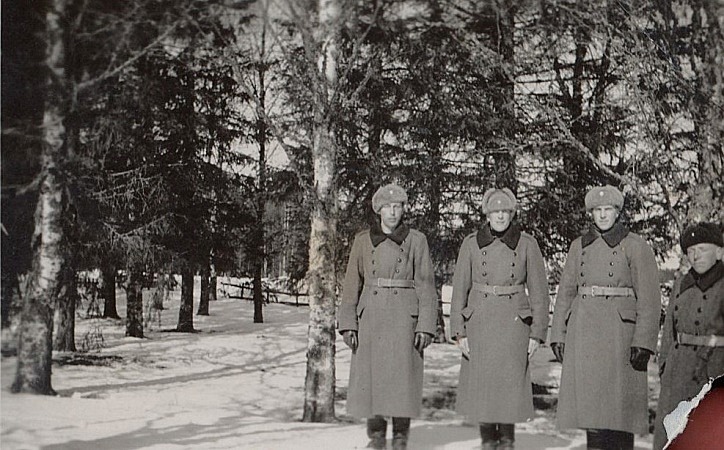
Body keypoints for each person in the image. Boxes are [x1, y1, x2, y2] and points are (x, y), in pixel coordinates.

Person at [550, 185, 661, 450]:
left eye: (607, 210)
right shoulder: (579, 246)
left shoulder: (635, 246)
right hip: (584, 334)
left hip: (620, 338)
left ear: (617, 212)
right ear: (591, 214)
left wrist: (644, 341)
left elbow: (649, 298)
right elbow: (566, 291)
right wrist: (558, 334)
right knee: (593, 415)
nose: (602, 216)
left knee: (620, 415)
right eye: (597, 211)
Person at [338, 183, 438, 450]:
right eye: (387, 207)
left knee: (403, 379)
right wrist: (348, 324)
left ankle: (401, 438)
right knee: (372, 380)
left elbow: (427, 286)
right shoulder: (362, 241)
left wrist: (426, 326)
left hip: (406, 318)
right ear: (378, 210)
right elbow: (351, 285)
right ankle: (377, 438)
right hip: (371, 317)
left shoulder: (417, 241)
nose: (393, 212)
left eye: (398, 207)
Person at [450, 188, 550, 450]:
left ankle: (507, 443)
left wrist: (537, 334)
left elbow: (540, 293)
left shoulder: (527, 244)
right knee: (483, 392)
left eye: (505, 212)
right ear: (487, 214)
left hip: (514, 327)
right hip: (479, 324)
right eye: (495, 212)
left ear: (511, 214)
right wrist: (459, 332)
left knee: (509, 394)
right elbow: (459, 290)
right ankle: (487, 443)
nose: (500, 217)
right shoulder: (471, 244)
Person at [654, 222, 724, 450]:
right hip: (678, 373)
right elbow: (668, 333)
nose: (696, 256)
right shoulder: (682, 283)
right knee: (672, 436)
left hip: (713, 371)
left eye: (702, 249)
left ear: (719, 251)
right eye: (691, 251)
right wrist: (665, 364)